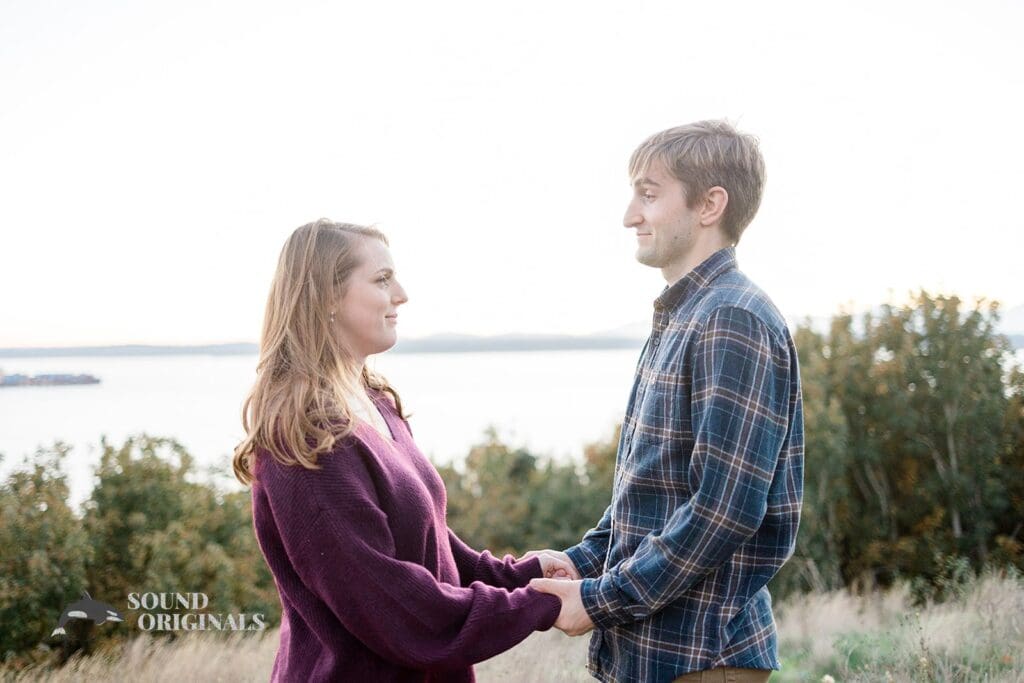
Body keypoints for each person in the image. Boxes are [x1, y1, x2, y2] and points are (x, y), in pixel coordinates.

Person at [526, 121, 805, 683]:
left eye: (648, 195)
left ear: (709, 205)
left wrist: (599, 599)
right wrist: (581, 562)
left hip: (701, 657)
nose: (630, 214)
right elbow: (651, 490)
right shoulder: (684, 315)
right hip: (656, 656)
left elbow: (722, 511)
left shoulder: (732, 319)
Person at [232, 219, 570, 682]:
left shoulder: (375, 402)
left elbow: (426, 545)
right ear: (327, 297)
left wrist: (523, 575)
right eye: (382, 279)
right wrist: (540, 604)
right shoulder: (304, 438)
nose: (402, 294)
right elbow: (395, 607)